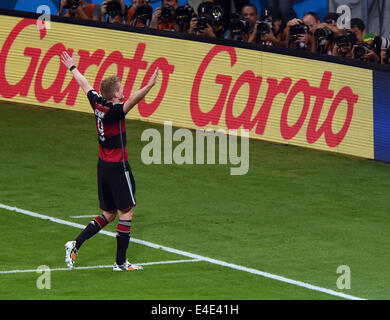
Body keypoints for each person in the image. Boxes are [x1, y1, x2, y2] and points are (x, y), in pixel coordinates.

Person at [60, 51, 159, 271]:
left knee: (109, 214)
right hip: (117, 167)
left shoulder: (97, 104)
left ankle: (75, 244)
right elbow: (133, 99)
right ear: (114, 94)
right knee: (126, 213)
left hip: (103, 167)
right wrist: (150, 85)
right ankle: (121, 262)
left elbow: (85, 85)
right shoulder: (115, 111)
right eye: (120, 89)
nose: (123, 91)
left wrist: (72, 67)